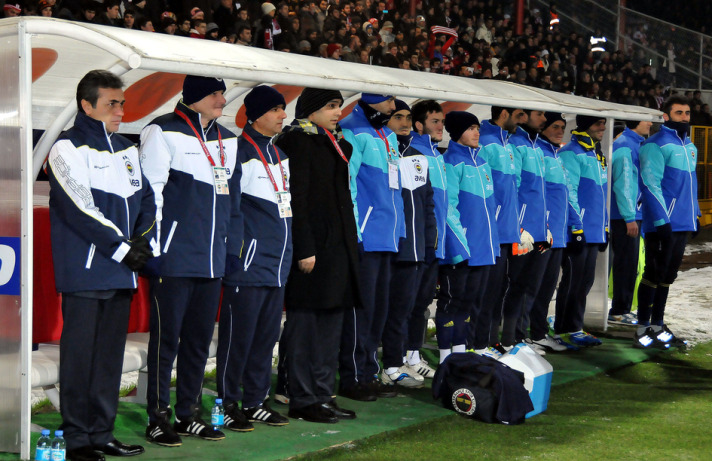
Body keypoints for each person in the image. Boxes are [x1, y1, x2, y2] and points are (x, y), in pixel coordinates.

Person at [47, 69, 154, 461]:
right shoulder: (65, 147)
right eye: (112, 103)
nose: (120, 110)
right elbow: (79, 209)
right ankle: (77, 439)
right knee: (80, 360)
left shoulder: (128, 147)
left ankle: (102, 433)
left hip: (121, 272)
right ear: (86, 105)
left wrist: (142, 240)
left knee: (109, 361)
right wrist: (123, 248)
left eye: (122, 103)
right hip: (87, 272)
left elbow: (146, 200)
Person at [139, 75, 242, 446]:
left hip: (212, 258)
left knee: (199, 341)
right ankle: (157, 417)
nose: (223, 100)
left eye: (223, 93)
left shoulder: (228, 138)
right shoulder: (162, 130)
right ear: (196, 97)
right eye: (215, 94)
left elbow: (235, 200)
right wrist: (153, 247)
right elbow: (149, 193)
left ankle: (189, 414)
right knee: (166, 342)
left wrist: (232, 248)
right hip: (174, 256)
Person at [274, 87, 361, 423]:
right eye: (331, 106)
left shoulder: (331, 141)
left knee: (330, 326)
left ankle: (323, 394)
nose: (337, 112)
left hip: (338, 247)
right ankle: (302, 397)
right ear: (310, 109)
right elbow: (299, 199)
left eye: (339, 106)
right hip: (314, 249)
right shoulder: (297, 141)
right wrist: (305, 247)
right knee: (306, 327)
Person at [216, 85, 291, 430]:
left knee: (265, 338)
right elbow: (230, 209)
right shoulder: (237, 151)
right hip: (247, 265)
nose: (283, 116)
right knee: (237, 339)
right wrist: (236, 253)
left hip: (277, 265)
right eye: (277, 109)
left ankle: (256, 400)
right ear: (257, 114)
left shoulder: (278, 154)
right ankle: (228, 402)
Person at [338, 93, 404, 401]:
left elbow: (395, 188)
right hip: (366, 235)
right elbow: (348, 181)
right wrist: (355, 230)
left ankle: (369, 372)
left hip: (387, 237)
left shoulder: (387, 133)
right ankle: (352, 376)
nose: (394, 107)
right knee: (361, 312)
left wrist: (398, 229)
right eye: (389, 101)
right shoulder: (353, 130)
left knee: (378, 311)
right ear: (373, 100)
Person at [635, 95, 698, 349]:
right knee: (653, 274)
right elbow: (651, 185)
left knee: (667, 276)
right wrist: (662, 220)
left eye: (687, 113)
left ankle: (658, 325)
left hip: (682, 223)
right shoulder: (655, 145)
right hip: (663, 223)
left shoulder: (690, 146)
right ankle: (642, 328)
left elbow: (691, 184)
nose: (685, 117)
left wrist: (695, 215)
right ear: (666, 116)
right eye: (679, 113)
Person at [380, 99, 435, 388]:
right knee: (387, 310)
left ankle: (397, 361)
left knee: (404, 309)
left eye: (407, 117)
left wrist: (429, 243)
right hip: (389, 246)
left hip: (414, 248)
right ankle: (388, 364)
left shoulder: (418, 158)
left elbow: (427, 204)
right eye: (396, 116)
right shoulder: (381, 153)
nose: (403, 122)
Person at [439, 111, 498, 363]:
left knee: (474, 303)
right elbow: (448, 207)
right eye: (471, 128)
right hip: (463, 250)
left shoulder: (482, 161)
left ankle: (464, 351)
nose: (477, 132)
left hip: (485, 249)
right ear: (456, 131)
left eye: (477, 127)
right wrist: (459, 245)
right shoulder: (451, 161)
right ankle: (445, 357)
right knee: (454, 304)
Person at [478, 106, 531, 357]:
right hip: (493, 232)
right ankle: (483, 341)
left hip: (508, 231)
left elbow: (515, 188)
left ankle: (495, 339)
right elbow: (486, 191)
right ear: (503, 114)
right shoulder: (488, 144)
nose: (523, 121)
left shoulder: (507, 145)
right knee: (489, 291)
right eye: (518, 115)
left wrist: (517, 226)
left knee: (504, 288)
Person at [555, 114, 608, 349]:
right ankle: (563, 329)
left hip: (595, 230)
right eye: (598, 124)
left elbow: (601, 195)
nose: (603, 129)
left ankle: (575, 327)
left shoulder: (596, 154)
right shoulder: (571, 152)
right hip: (580, 229)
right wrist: (576, 227)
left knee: (585, 281)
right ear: (586, 126)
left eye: (604, 125)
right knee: (573, 280)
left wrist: (605, 226)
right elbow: (570, 192)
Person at [405, 100, 448, 379]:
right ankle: (406, 356)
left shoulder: (438, 155)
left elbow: (443, 204)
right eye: (434, 121)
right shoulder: (413, 153)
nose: (440, 126)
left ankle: (412, 353)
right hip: (418, 244)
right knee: (412, 302)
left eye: (442, 121)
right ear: (418, 125)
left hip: (436, 241)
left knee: (422, 302)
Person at [524, 112, 570, 354]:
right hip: (543, 234)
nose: (559, 131)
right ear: (543, 129)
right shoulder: (539, 153)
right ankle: (529, 334)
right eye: (555, 126)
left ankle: (539, 332)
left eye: (562, 127)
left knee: (548, 286)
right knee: (534, 285)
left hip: (558, 236)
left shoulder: (556, 155)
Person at [609, 119, 652, 325]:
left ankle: (622, 308)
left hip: (631, 214)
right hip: (624, 216)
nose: (651, 123)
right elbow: (624, 185)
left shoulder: (634, 144)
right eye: (647, 120)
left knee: (629, 263)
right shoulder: (625, 145)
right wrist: (629, 217)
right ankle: (619, 310)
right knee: (625, 263)